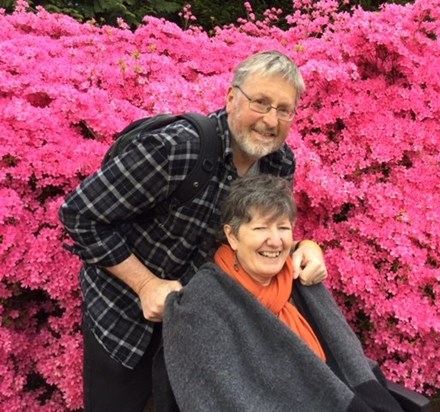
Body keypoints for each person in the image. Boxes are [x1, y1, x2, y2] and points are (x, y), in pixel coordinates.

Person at [59, 51, 327, 412]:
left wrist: (304, 246)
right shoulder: (176, 149)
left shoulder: (278, 164)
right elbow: (80, 214)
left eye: (283, 109)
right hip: (121, 316)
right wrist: (145, 285)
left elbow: (262, 233)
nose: (270, 120)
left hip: (195, 325)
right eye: (260, 102)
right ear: (232, 98)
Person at [162, 174, 404, 412]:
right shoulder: (200, 306)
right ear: (232, 236)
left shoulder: (301, 279)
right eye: (260, 227)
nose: (275, 241)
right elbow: (218, 399)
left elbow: (347, 360)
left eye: (283, 227)